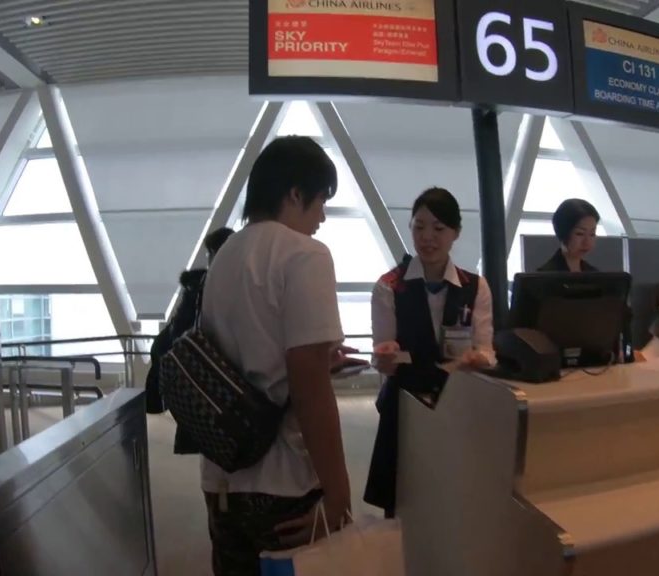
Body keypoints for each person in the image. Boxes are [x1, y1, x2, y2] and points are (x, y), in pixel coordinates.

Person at [199, 136, 351, 575]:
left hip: (221, 481)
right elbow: (309, 387)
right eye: (321, 201)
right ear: (295, 194)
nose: (322, 216)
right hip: (282, 485)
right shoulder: (304, 255)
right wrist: (339, 497)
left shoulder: (225, 256)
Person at [365, 187, 495, 518]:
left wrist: (479, 360)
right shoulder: (388, 286)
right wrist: (385, 356)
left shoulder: (474, 286)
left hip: (457, 405)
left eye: (439, 229)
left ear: (456, 233)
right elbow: (386, 364)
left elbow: (486, 350)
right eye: (419, 226)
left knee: (455, 505)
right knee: (403, 508)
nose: (427, 237)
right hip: (404, 409)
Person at [145, 226, 234, 454]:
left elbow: (177, 333)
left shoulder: (198, 287)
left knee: (214, 443)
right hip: (213, 377)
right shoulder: (210, 288)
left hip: (201, 378)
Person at [539, 198, 600, 272]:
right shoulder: (545, 276)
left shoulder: (594, 274)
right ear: (563, 232)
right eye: (580, 233)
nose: (587, 242)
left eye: (592, 234)